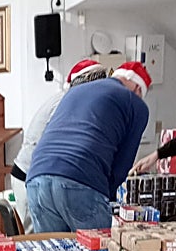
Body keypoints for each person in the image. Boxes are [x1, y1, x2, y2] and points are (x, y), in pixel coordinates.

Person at [26, 60, 152, 232]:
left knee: (54, 249)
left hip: (37, 178)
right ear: (138, 88)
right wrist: (109, 198)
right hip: (80, 179)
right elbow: (123, 164)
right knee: (101, 248)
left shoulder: (76, 90)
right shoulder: (136, 104)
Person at [11, 59, 107, 232]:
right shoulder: (66, 103)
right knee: (36, 241)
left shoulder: (66, 99)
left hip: (35, 175)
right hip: (30, 175)